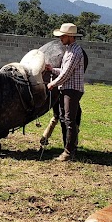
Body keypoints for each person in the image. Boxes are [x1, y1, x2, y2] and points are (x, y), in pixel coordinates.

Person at [45, 22, 85, 162]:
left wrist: (52, 83)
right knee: (64, 118)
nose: (60, 39)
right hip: (67, 89)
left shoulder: (75, 52)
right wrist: (52, 70)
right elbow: (63, 71)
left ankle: (69, 152)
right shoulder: (69, 50)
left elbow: (66, 74)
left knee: (69, 120)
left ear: (69, 36)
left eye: (62, 36)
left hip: (72, 90)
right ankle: (68, 149)